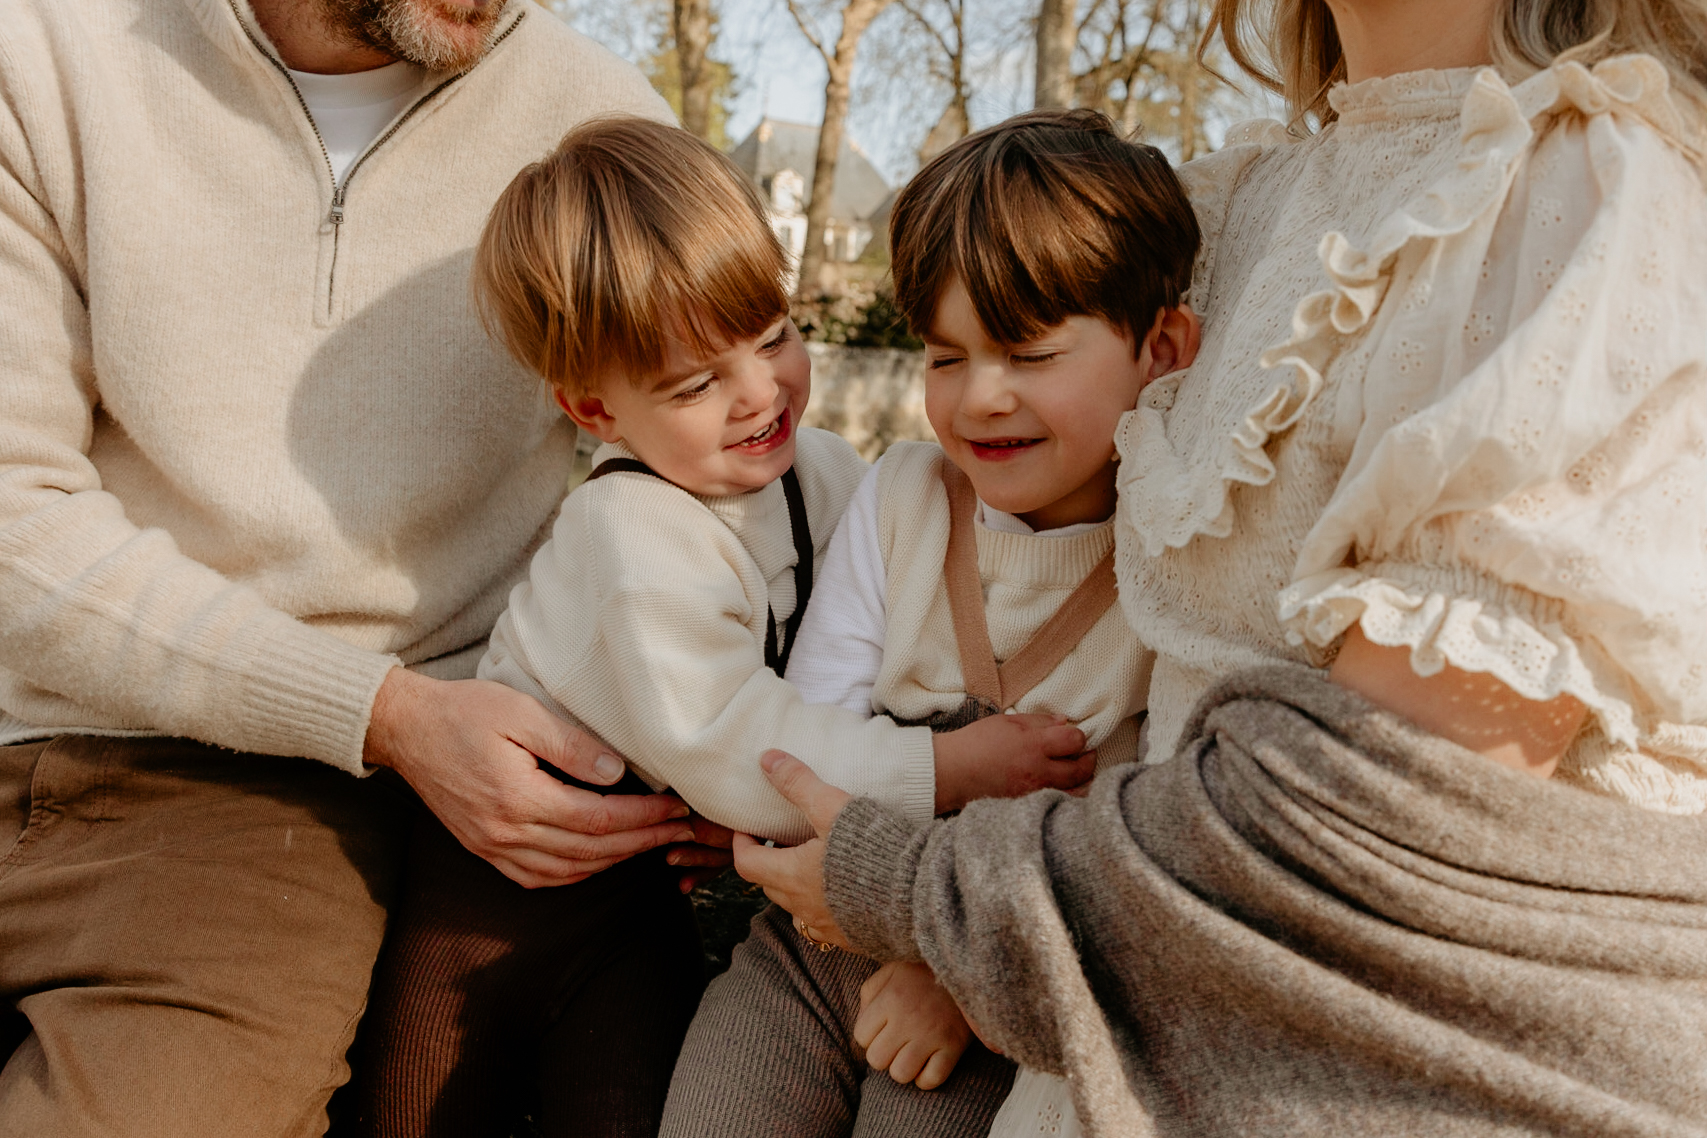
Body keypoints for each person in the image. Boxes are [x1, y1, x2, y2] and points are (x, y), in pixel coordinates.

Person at [735, 0, 1707, 1134]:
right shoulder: (1240, 202)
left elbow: (1370, 824)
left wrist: (917, 890)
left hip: (1402, 1069)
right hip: (1138, 1000)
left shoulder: (1593, 194)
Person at [0, 2, 710, 1134]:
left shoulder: (599, 119)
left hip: (262, 807)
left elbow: (719, 463)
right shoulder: (42, 53)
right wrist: (380, 709)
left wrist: (760, 758)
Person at [350, 115, 1100, 1137]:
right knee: (420, 1110)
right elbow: (741, 746)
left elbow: (855, 659)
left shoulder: (825, 475)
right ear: (595, 409)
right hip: (492, 898)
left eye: (775, 336)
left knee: (629, 1104)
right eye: (697, 383)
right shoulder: (625, 532)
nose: (759, 394)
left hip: (643, 893)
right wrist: (955, 766)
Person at [662, 109, 1200, 1138]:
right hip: (815, 940)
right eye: (945, 356)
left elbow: (1134, 832)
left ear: (1161, 347)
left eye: (1028, 352)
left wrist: (963, 974)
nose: (979, 398)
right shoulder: (906, 495)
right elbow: (800, 749)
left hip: (993, 972)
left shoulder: (1170, 560)